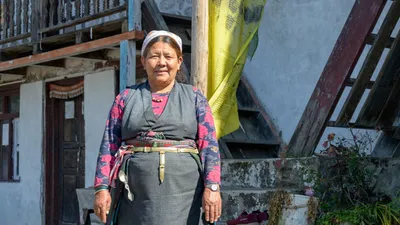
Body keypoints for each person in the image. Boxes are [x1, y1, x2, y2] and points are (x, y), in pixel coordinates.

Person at [93, 30, 222, 225]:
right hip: (133, 194)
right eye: (154, 56)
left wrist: (212, 187)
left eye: (168, 56)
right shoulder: (125, 98)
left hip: (184, 194)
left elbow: (209, 145)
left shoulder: (195, 98)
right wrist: (101, 188)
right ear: (143, 61)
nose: (162, 62)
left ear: (179, 62)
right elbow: (108, 146)